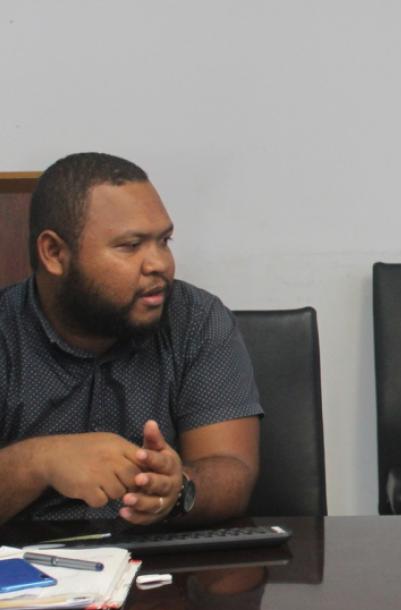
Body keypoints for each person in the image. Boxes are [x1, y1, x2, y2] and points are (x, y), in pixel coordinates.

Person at [0, 152, 261, 525]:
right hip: (29, 573)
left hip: (161, 566)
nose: (159, 264)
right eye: (130, 245)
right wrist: (38, 462)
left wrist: (178, 488)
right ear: (54, 253)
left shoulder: (196, 319)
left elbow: (233, 471)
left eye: (164, 241)